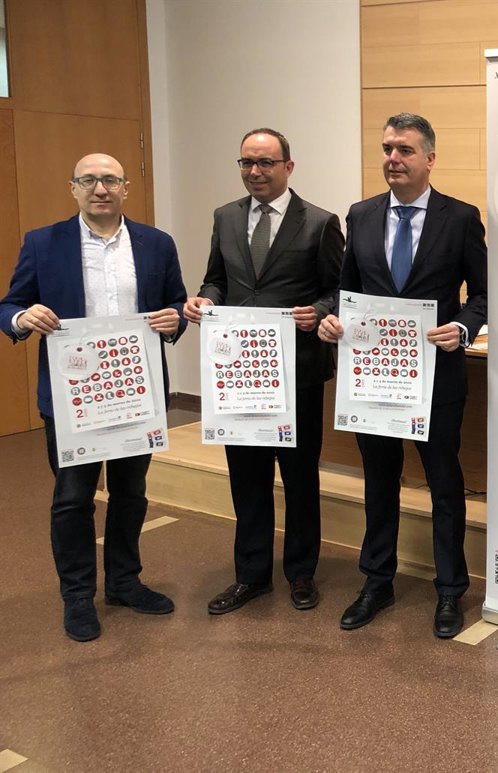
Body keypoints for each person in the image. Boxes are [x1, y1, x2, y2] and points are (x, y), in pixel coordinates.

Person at [0, 153, 187, 642]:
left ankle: (124, 582)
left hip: (135, 392)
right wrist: (22, 319)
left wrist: (175, 319)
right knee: (72, 499)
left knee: (131, 493)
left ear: (125, 188)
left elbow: (176, 303)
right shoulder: (43, 243)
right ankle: (78, 596)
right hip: (73, 397)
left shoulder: (156, 243)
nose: (99, 188)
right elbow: (10, 305)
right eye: (88, 180)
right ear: (73, 188)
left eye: (109, 180)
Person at [318, 113, 486, 638]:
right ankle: (376, 582)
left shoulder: (460, 218)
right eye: (388, 148)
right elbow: (347, 291)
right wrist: (333, 319)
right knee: (379, 480)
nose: (393, 158)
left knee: (444, 485)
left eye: (405, 150)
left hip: (437, 377)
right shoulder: (361, 214)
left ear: (429, 159)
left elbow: (484, 294)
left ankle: (450, 589)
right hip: (375, 377)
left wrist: (463, 326)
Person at [184, 128, 344, 615]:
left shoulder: (320, 222)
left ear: (288, 167)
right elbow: (217, 279)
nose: (255, 171)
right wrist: (204, 299)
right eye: (246, 162)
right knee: (246, 477)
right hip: (240, 373)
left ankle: (301, 572)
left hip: (298, 372)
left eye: (266, 163)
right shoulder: (225, 217)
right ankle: (251, 575)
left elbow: (339, 291)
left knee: (299, 478)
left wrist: (318, 312)